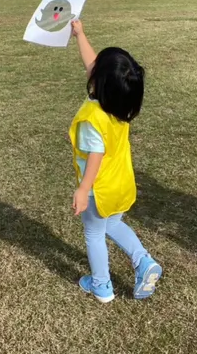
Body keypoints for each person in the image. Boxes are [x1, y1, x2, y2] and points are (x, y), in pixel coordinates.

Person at [69, 18, 162, 303]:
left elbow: (95, 158)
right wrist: (80, 34)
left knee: (94, 233)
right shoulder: (118, 106)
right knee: (113, 225)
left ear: (98, 83)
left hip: (100, 190)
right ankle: (144, 262)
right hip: (121, 182)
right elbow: (93, 66)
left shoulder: (93, 118)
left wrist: (84, 190)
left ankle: (101, 286)